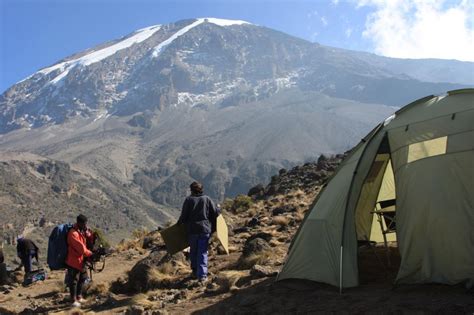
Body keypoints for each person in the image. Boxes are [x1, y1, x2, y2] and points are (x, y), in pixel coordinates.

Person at [178, 181, 219, 283]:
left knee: (194, 251)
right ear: (202, 189)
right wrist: (218, 209)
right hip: (205, 229)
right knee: (202, 252)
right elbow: (215, 213)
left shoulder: (188, 200)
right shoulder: (207, 199)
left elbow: (183, 216)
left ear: (191, 190)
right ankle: (202, 276)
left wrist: (178, 226)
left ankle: (194, 271)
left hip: (192, 230)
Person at [66, 214, 93, 308]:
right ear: (79, 223)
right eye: (84, 223)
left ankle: (79, 296)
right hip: (74, 260)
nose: (86, 225)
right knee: (74, 280)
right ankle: (73, 300)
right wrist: (90, 253)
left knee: (82, 278)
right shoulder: (73, 233)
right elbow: (81, 249)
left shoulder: (80, 231)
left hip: (81, 260)